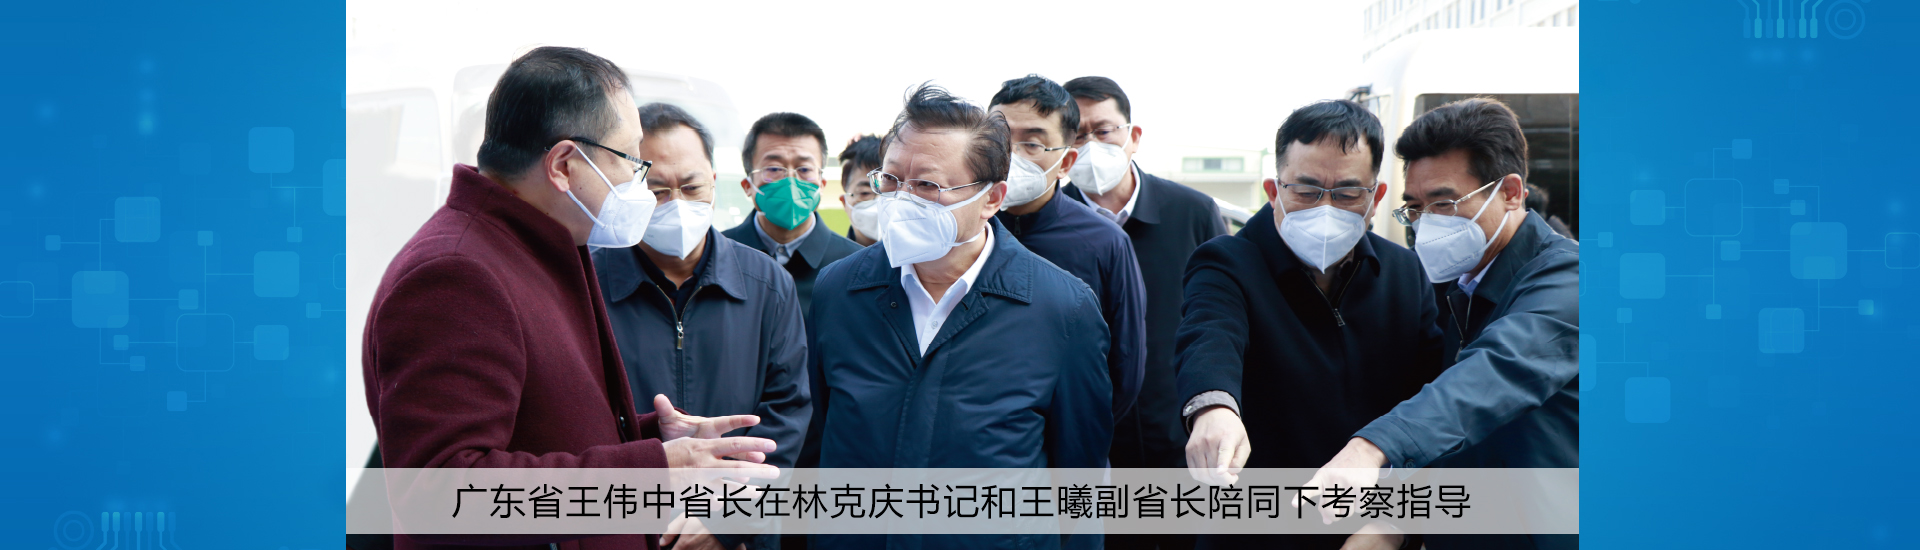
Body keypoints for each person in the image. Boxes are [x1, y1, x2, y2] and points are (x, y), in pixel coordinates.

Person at [360, 47, 776, 550]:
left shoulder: (538, 246)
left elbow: (541, 429)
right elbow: (440, 494)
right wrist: (652, 469)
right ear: (563, 165)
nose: (640, 187)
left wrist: (648, 437)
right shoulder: (456, 274)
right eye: (631, 161)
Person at [808, 84, 1111, 550]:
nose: (902, 200)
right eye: (891, 181)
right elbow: (820, 434)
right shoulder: (839, 290)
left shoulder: (1061, 308)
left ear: (992, 198)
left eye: (927, 186)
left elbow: (1080, 478)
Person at [1306, 98, 1580, 550]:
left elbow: (1487, 377)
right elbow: (1449, 432)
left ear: (1511, 192)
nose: (1427, 224)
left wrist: (1370, 449)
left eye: (1444, 202)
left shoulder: (1568, 279)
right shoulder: (1459, 286)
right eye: (1415, 207)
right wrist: (1390, 525)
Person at [1176, 100, 1444, 550]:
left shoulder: (1405, 272)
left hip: (1367, 531)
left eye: (1347, 193)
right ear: (1273, 190)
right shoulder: (1227, 263)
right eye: (1306, 190)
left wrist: (1394, 526)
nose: (1326, 208)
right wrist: (1214, 409)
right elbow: (1209, 336)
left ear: (1376, 197)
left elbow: (1431, 405)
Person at [594, 103, 810, 550]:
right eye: (657, 191)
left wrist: (726, 522)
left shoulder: (767, 283)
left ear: (714, 180)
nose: (677, 203)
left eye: (691, 186)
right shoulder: (590, 284)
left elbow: (787, 413)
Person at [1060, 80, 1227, 545]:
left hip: (1183, 441)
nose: (1091, 145)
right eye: (1077, 135)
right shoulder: (1045, 226)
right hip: (1092, 452)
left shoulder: (1192, 212)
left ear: (1133, 136)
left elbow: (1224, 316)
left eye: (1103, 130)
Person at [988, 74, 1146, 421]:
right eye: (999, 140)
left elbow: (1124, 365)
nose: (1011, 157)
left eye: (1032, 144)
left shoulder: (1104, 242)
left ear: (1066, 162)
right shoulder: (963, 231)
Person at [722, 112, 865, 313]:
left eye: (804, 169)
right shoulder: (717, 255)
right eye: (774, 169)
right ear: (747, 185)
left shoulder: (855, 265)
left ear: (821, 184)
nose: (790, 180)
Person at [838, 134, 885, 246]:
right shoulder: (832, 256)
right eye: (865, 193)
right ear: (844, 202)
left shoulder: (921, 256)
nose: (879, 202)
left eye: (890, 193)